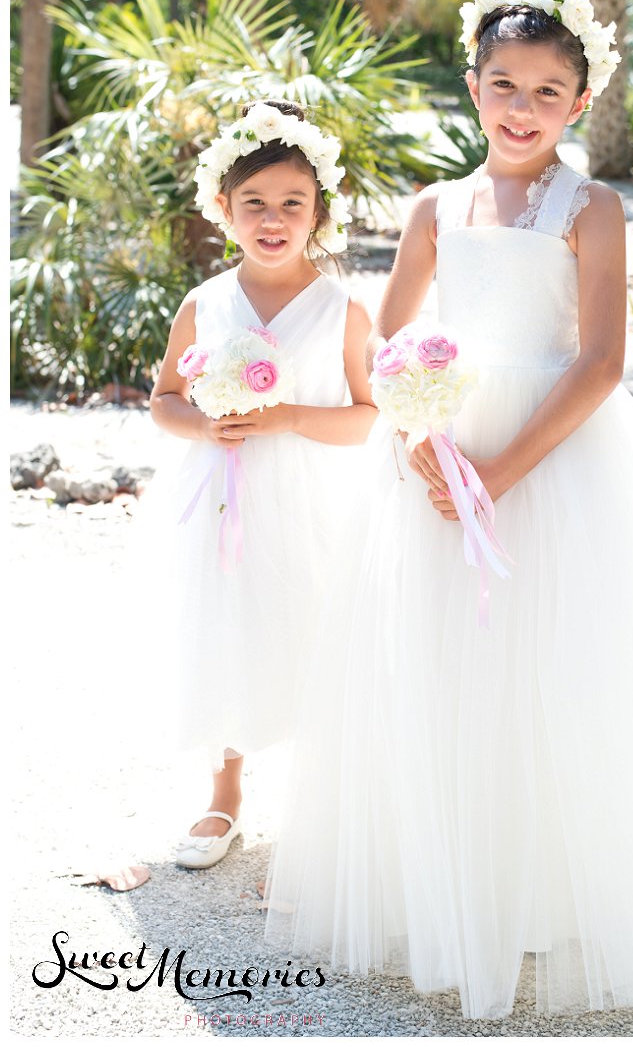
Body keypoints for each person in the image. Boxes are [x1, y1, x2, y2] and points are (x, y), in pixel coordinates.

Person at [265, 0, 633, 1017]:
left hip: (556, 453)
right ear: (472, 88)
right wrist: (420, 442)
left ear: (580, 101)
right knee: (444, 661)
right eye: (502, 84)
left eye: (546, 89)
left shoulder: (594, 206)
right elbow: (387, 345)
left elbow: (602, 357)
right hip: (442, 441)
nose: (520, 107)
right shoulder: (436, 207)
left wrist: (503, 469)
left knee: (557, 659)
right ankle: (450, 876)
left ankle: (552, 882)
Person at [147, 99, 376, 869]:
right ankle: (225, 794)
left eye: (292, 204)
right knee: (228, 628)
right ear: (224, 208)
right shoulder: (205, 304)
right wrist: (207, 426)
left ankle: (322, 808)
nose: (273, 219)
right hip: (225, 498)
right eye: (255, 204)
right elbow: (164, 401)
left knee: (312, 628)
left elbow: (368, 416)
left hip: (310, 497)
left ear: (319, 212)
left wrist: (286, 417)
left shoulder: (343, 310)